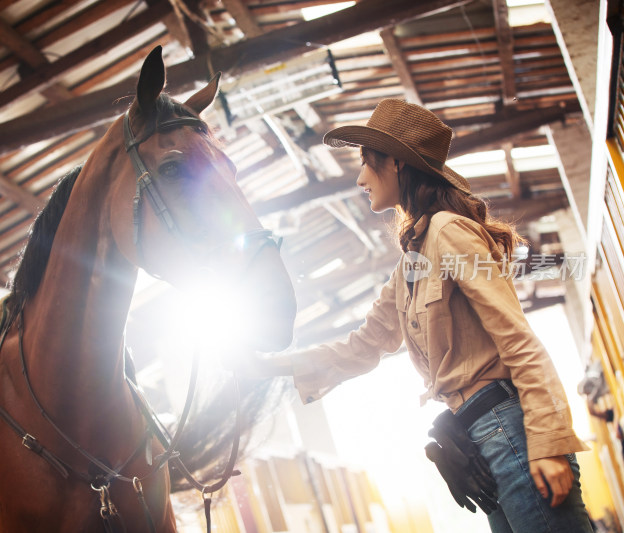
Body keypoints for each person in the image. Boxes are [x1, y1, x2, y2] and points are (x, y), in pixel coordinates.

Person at [249, 99, 594, 532]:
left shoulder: (449, 230)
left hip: (510, 432)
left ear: (393, 163)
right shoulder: (412, 259)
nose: (358, 179)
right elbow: (366, 344)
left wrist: (548, 441)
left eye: (365, 163)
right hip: (478, 442)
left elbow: (518, 338)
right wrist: (266, 365)